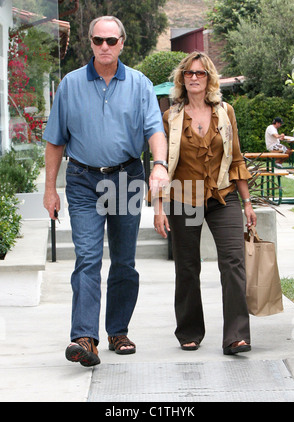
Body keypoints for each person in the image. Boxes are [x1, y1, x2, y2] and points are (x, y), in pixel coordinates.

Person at [43, 15, 168, 367]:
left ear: (122, 43)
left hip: (127, 177)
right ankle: (85, 338)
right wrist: (50, 189)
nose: (104, 47)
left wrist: (159, 164)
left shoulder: (140, 84)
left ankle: (117, 330)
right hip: (83, 180)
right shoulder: (70, 84)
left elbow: (154, 131)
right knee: (87, 258)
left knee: (124, 262)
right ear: (90, 43)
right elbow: (55, 141)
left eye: (111, 41)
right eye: (98, 40)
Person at [153, 52, 257, 355]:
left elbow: (236, 158)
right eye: (188, 73)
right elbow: (161, 165)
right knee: (187, 266)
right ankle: (189, 331)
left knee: (233, 262)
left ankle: (236, 335)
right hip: (183, 197)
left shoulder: (226, 112)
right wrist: (159, 208)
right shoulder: (170, 117)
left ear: (209, 77)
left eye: (200, 73)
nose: (194, 78)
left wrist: (247, 202)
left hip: (223, 197)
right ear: (182, 79)